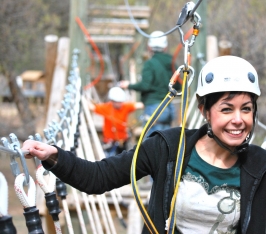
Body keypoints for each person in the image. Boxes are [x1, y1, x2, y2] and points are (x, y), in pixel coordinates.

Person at [22, 56, 266, 233]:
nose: (238, 120)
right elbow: (99, 178)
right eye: (226, 109)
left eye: (246, 109)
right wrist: (55, 156)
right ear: (204, 110)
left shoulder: (260, 165)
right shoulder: (168, 148)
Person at [119, 31, 181, 137]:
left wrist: (129, 85)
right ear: (165, 47)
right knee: (166, 143)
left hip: (154, 108)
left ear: (149, 47)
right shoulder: (172, 62)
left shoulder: (150, 64)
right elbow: (178, 85)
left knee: (150, 146)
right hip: (169, 108)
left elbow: (145, 85)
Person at [88, 86, 144, 156]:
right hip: (110, 142)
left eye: (121, 102)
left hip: (123, 141)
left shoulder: (125, 107)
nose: (120, 104)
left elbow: (139, 105)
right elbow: (92, 107)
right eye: (118, 102)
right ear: (112, 101)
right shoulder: (106, 108)